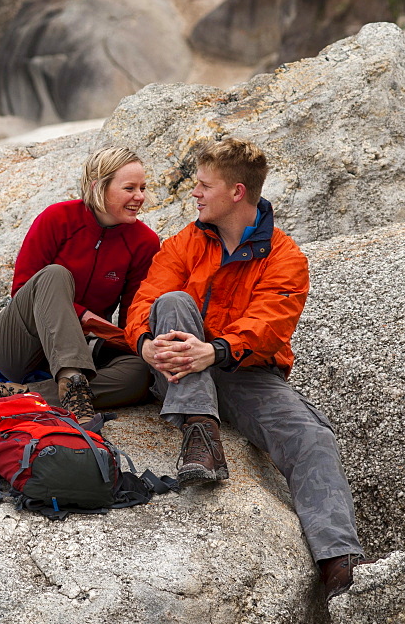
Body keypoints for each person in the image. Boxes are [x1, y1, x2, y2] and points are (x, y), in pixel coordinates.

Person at [124, 137, 369, 600]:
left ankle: (340, 565)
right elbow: (146, 301)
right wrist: (143, 343)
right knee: (173, 302)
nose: (194, 194)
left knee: (312, 437)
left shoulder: (285, 256)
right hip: (174, 365)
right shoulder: (184, 243)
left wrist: (215, 352)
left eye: (203, 185)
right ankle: (201, 435)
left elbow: (271, 326)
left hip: (244, 370)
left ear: (237, 192)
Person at [0, 146, 160, 424]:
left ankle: (16, 397)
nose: (140, 197)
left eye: (143, 187)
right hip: (23, 344)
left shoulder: (144, 242)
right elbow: (22, 288)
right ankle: (72, 381)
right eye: (129, 188)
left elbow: (133, 317)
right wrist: (79, 314)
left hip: (85, 345)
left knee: (142, 373)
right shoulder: (57, 219)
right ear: (98, 187)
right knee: (54, 274)